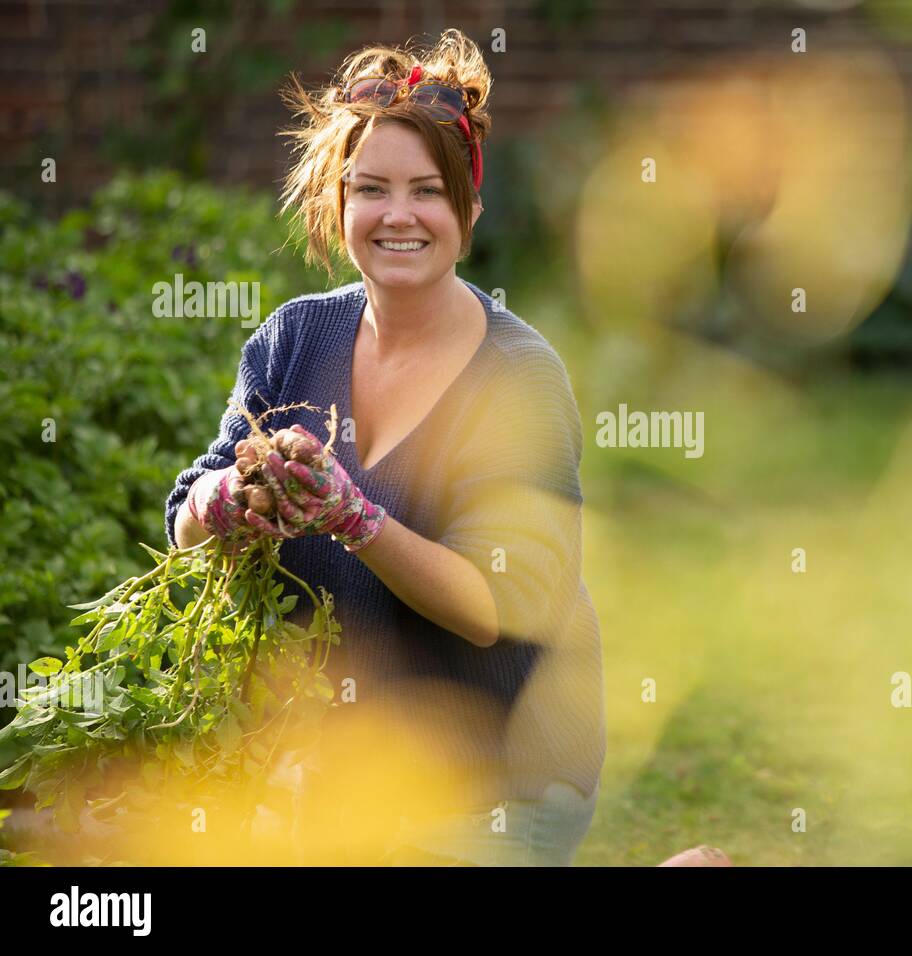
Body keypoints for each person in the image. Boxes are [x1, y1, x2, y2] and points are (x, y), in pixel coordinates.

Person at [163, 29, 605, 866]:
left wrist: (350, 515)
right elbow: (186, 515)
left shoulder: (517, 377)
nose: (398, 216)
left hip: (499, 773)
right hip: (342, 762)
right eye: (371, 189)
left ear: (467, 210)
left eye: (426, 191)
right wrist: (220, 503)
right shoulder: (294, 340)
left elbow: (496, 608)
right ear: (340, 203)